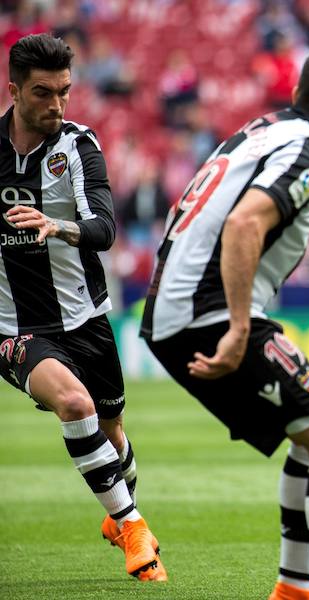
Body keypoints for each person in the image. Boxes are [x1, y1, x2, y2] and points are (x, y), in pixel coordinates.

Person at [141, 48, 309, 600]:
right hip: (209, 312)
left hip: (175, 304)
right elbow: (245, 223)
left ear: (297, 95)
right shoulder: (308, 150)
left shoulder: (264, 129)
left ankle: (293, 588)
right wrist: (239, 327)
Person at [0, 34, 165, 582]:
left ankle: (120, 510)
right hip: (14, 326)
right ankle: (135, 527)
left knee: (112, 433)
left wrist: (56, 225)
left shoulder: (77, 145)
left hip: (86, 317)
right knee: (75, 405)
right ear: (15, 90)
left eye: (64, 92)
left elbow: (104, 229)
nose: (56, 105)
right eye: (43, 93)